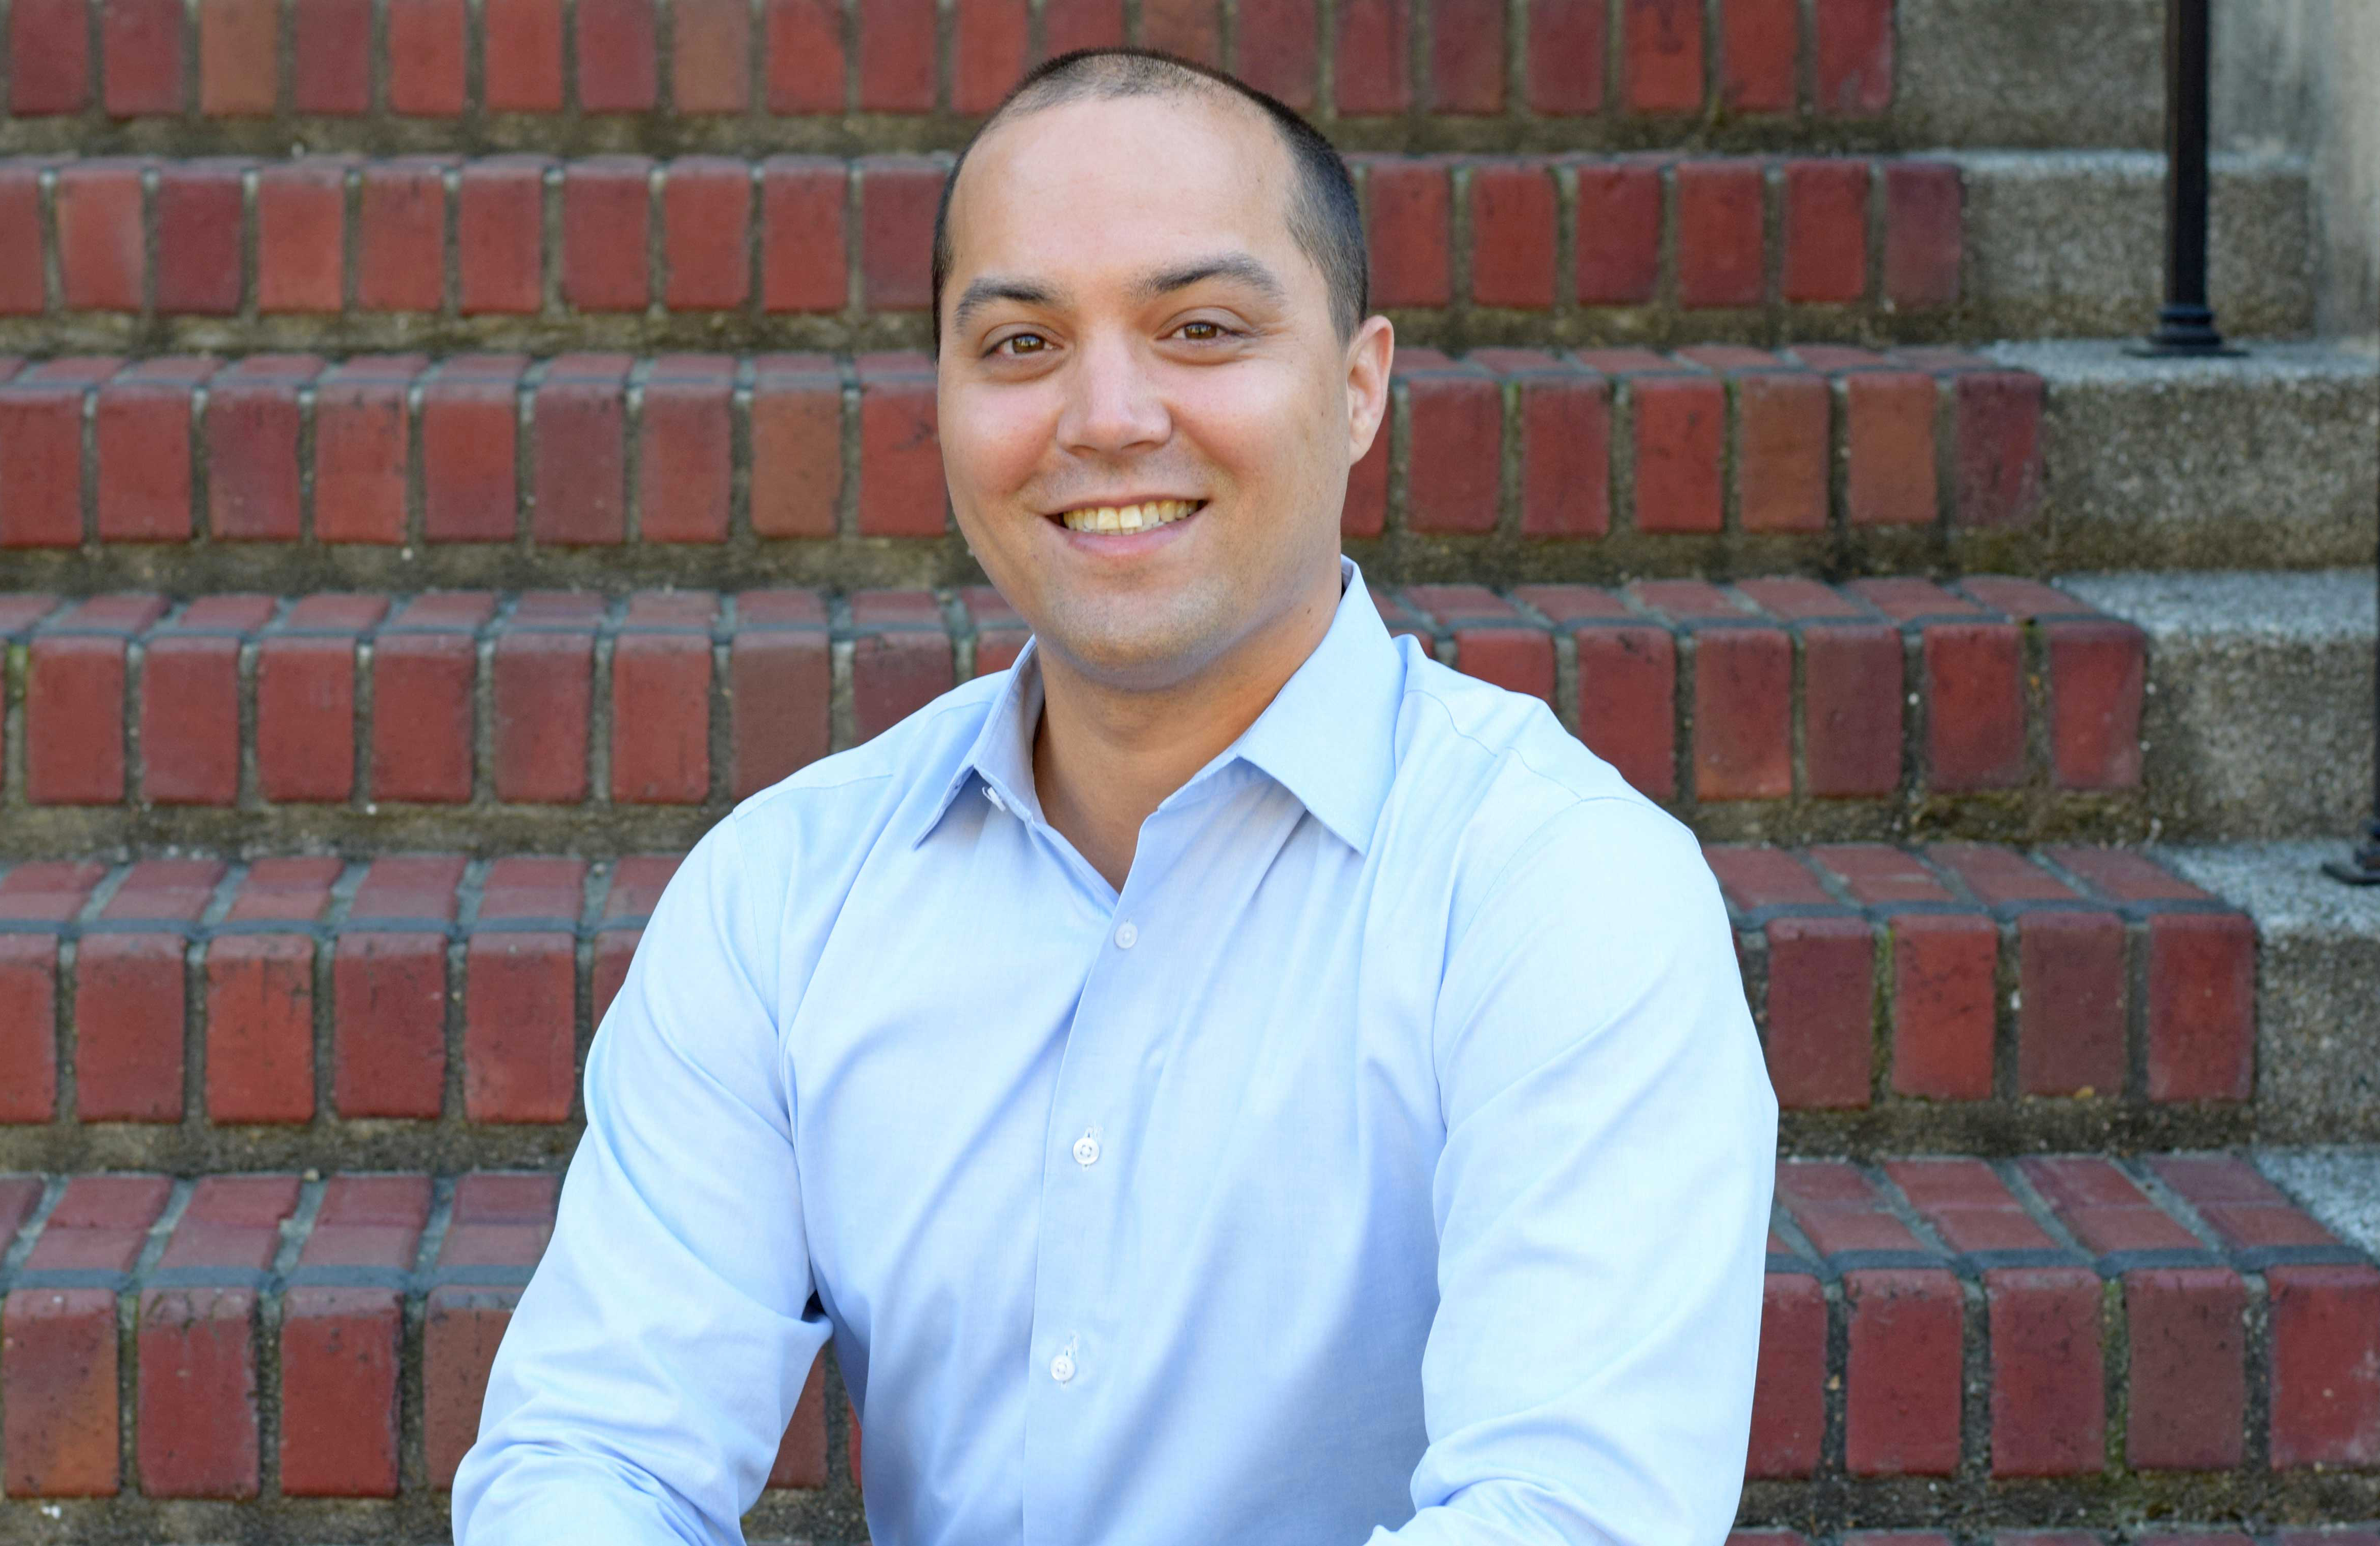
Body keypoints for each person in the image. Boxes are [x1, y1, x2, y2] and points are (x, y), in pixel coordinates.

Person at [455, 46, 1777, 1546]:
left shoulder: (1560, 891)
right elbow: (590, 1458)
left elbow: (1569, 1513)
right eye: (1019, 345)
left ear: (1358, 388)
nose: (1105, 413)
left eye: (1201, 328)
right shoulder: (786, 893)